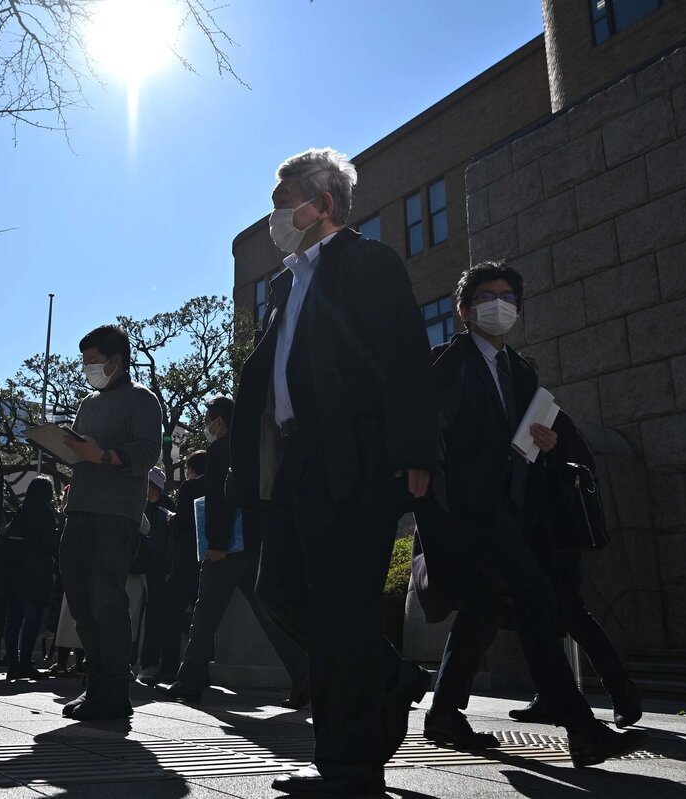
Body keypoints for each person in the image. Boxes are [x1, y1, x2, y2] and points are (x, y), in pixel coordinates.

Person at [226, 148, 437, 797]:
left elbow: (406, 351)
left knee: (343, 609)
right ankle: (392, 675)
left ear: (322, 203)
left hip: (357, 459)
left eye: (284, 202)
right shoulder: (288, 284)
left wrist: (417, 451)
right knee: (281, 591)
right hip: (296, 464)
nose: (274, 217)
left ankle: (348, 767)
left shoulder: (369, 262)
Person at [416, 262, 647, 766]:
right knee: (539, 601)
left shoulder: (522, 370)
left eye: (507, 296)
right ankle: (581, 728)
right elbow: (430, 439)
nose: (498, 304)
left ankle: (444, 714)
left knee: (479, 612)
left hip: (515, 511)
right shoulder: (447, 364)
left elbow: (544, 440)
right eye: (485, 296)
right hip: (468, 512)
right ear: (464, 309)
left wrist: (550, 442)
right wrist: (437, 513)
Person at [158, 397, 310, 708]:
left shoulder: (219, 451)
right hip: (256, 543)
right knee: (269, 615)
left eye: (209, 420)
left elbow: (219, 499)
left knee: (205, 616)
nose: (207, 427)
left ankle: (189, 682)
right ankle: (304, 675)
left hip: (226, 548)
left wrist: (215, 543)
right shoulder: (255, 447)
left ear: (220, 422)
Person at [509, 412, 642, 729]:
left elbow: (581, 469)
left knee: (571, 612)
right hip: (533, 533)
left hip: (558, 535)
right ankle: (550, 696)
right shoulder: (509, 412)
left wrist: (552, 452)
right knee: (545, 616)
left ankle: (622, 692)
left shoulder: (549, 417)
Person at [58, 324, 163, 721]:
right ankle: (94, 685)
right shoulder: (88, 403)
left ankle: (116, 691)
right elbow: (84, 450)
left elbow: (146, 452)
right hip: (80, 509)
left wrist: (101, 455)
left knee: (107, 600)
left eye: (93, 361)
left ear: (116, 360)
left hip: (116, 514)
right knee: (81, 601)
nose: (88, 369)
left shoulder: (143, 399)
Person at [151, 449, 207, 684]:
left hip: (185, 560)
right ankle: (200, 671)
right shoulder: (219, 486)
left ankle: (169, 669)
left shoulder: (190, 488)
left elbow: (183, 521)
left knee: (171, 614)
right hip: (209, 560)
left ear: (191, 470)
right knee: (203, 618)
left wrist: (172, 519)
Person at [0, 475, 60, 681]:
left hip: (14, 574)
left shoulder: (20, 513)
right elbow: (52, 544)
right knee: (32, 620)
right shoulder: (46, 514)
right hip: (36, 575)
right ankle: (25, 661)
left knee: (13, 619)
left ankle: (12, 663)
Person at [133, 467, 174, 681]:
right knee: (132, 614)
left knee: (153, 615)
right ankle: (131, 662)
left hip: (157, 568)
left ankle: (148, 664)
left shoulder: (168, 510)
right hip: (138, 566)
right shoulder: (141, 504)